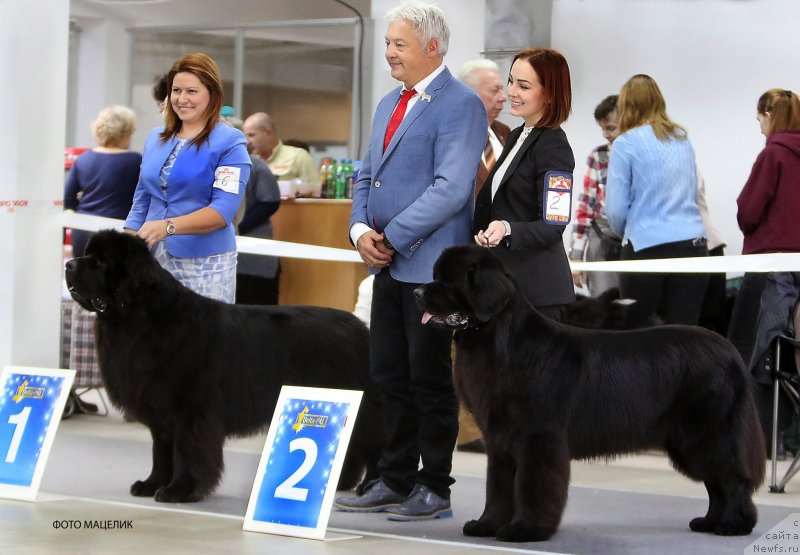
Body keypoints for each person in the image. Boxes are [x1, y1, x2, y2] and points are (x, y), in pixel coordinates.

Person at [334, 1, 486, 521]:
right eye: (388, 44)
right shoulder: (387, 103)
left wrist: (391, 236)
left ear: (432, 47)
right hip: (386, 264)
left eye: (399, 44)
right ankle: (394, 477)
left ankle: (435, 487)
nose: (389, 54)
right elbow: (364, 175)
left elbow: (450, 189)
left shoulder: (460, 104)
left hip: (430, 270)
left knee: (428, 378)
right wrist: (359, 231)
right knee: (386, 375)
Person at [124, 52, 251, 304]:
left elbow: (222, 211)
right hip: (151, 261)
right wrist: (127, 246)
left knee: (202, 342)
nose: (182, 99)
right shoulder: (155, 137)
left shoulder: (230, 141)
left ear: (211, 94)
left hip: (205, 265)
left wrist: (167, 227)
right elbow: (142, 199)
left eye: (192, 91)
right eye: (176, 90)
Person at [473, 47, 576, 321]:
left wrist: (507, 229)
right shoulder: (517, 135)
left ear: (550, 93)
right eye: (511, 81)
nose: (511, 92)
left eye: (524, 86)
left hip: (538, 296)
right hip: (507, 288)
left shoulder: (554, 145)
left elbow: (553, 225)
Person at [605, 74, 708, 328]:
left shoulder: (624, 144)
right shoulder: (683, 139)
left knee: (639, 337)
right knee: (684, 335)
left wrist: (629, 232)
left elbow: (616, 210)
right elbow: (693, 192)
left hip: (644, 248)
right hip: (693, 248)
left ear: (626, 106)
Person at [734, 89, 800, 377]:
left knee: (749, 348)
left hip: (771, 266)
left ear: (769, 115)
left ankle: (757, 418)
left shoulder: (772, 155)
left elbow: (749, 211)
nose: (759, 125)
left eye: (759, 118)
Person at [221, 113, 282, 305]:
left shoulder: (254, 165)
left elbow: (270, 201)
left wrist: (238, 226)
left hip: (255, 259)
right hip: (227, 258)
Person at [64, 105, 141, 257]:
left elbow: (67, 199)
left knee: (84, 279)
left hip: (83, 230)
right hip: (119, 233)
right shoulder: (135, 161)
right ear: (125, 132)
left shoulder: (83, 159)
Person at [568, 94, 622, 297]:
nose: (605, 134)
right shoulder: (598, 156)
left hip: (632, 241)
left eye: (611, 128)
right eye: (602, 128)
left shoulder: (642, 155)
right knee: (603, 306)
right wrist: (576, 256)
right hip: (602, 239)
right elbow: (585, 209)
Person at [458, 59, 511, 193]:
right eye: (495, 91)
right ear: (469, 95)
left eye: (501, 90)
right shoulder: (449, 135)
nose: (503, 97)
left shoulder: (505, 132)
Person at [242, 112, 320, 186]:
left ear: (268, 133)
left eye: (251, 135)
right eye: (245, 136)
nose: (247, 141)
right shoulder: (246, 162)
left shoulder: (299, 157)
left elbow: (315, 193)